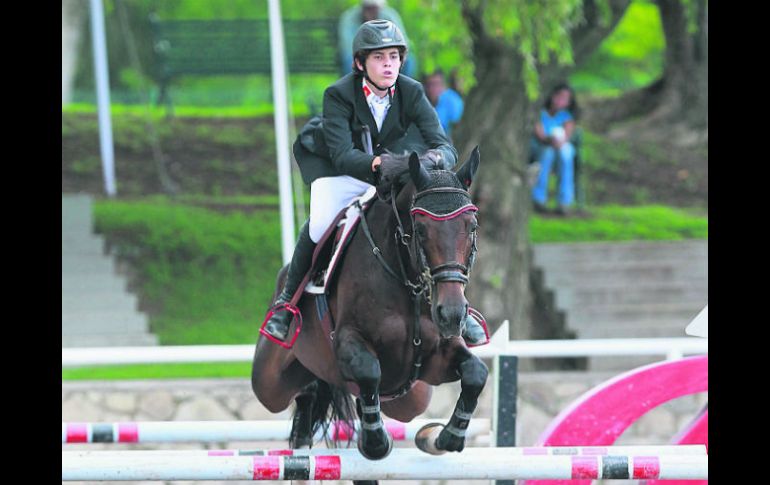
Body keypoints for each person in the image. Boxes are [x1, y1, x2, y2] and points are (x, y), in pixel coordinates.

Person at [263, 19, 487, 346]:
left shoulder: (412, 91)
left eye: (394, 57)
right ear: (360, 63)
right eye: (379, 58)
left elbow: (444, 146)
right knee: (320, 223)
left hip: (392, 171)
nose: (388, 65)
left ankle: (458, 309)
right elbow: (342, 155)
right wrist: (380, 163)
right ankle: (287, 305)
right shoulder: (338, 95)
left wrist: (433, 159)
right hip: (341, 171)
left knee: (435, 223)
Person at [531, 82, 580, 215]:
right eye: (559, 97)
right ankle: (538, 198)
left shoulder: (567, 117)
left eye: (565, 99)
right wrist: (550, 140)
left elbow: (566, 136)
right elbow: (540, 135)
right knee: (547, 153)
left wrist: (559, 142)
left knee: (566, 153)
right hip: (542, 147)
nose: (561, 101)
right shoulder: (540, 113)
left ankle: (565, 201)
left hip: (560, 148)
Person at [337, 0, 416, 78]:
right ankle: (353, 89)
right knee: (349, 60)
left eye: (374, 8)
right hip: (359, 54)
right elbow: (347, 45)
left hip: (385, 54)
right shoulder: (349, 18)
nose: (371, 12)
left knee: (408, 60)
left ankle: (400, 88)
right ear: (362, 7)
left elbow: (402, 40)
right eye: (368, 8)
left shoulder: (390, 15)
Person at [423, 69, 464, 141]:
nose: (433, 88)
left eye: (436, 84)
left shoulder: (453, 101)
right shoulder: (421, 98)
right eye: (430, 84)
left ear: (443, 85)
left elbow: (456, 125)